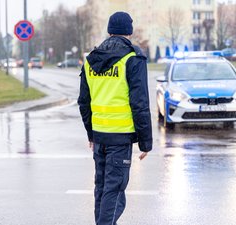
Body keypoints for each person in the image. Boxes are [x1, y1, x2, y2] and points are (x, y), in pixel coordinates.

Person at [77, 11, 153, 225]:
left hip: (100, 136)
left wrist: (91, 133)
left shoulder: (91, 59)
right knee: (115, 189)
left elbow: (84, 101)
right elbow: (140, 103)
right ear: (129, 32)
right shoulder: (132, 57)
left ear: (109, 31)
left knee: (101, 187)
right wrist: (146, 142)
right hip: (120, 138)